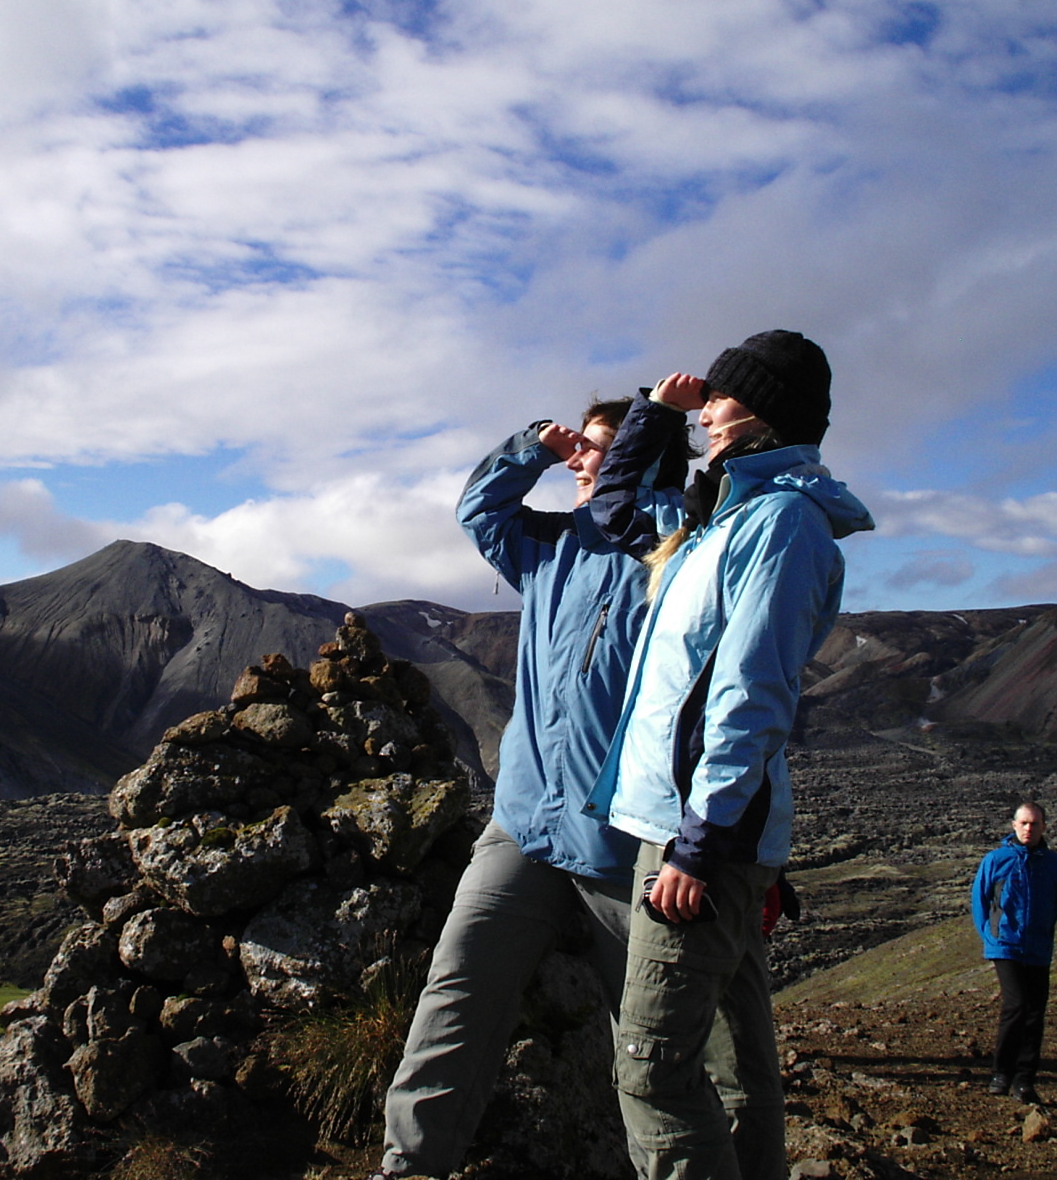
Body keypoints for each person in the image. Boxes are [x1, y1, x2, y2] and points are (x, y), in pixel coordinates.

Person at [371, 395, 692, 1180]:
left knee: (655, 1049)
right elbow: (479, 510)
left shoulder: (671, 541)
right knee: (455, 995)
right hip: (521, 826)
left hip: (625, 848)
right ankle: (408, 1167)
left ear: (641, 460)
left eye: (599, 451)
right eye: (580, 450)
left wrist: (645, 435)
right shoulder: (550, 548)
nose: (582, 461)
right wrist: (532, 448)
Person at [586, 330, 874, 1180]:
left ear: (764, 414)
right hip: (694, 832)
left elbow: (750, 693)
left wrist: (704, 846)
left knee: (650, 1072)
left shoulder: (781, 525)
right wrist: (651, 413)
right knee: (735, 1068)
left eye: (721, 398)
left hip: (696, 841)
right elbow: (613, 509)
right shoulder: (719, 519)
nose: (705, 411)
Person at [971, 801, 1057, 1105]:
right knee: (1017, 1005)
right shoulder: (996, 860)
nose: (1029, 828)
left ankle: (1024, 1080)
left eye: (1035, 823)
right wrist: (991, 935)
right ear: (1013, 825)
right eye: (1024, 823)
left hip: (1038, 948)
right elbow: (980, 899)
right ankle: (1002, 1073)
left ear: (1044, 827)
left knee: (1035, 1012)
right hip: (1007, 945)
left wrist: (1043, 932)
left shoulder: (1054, 864)